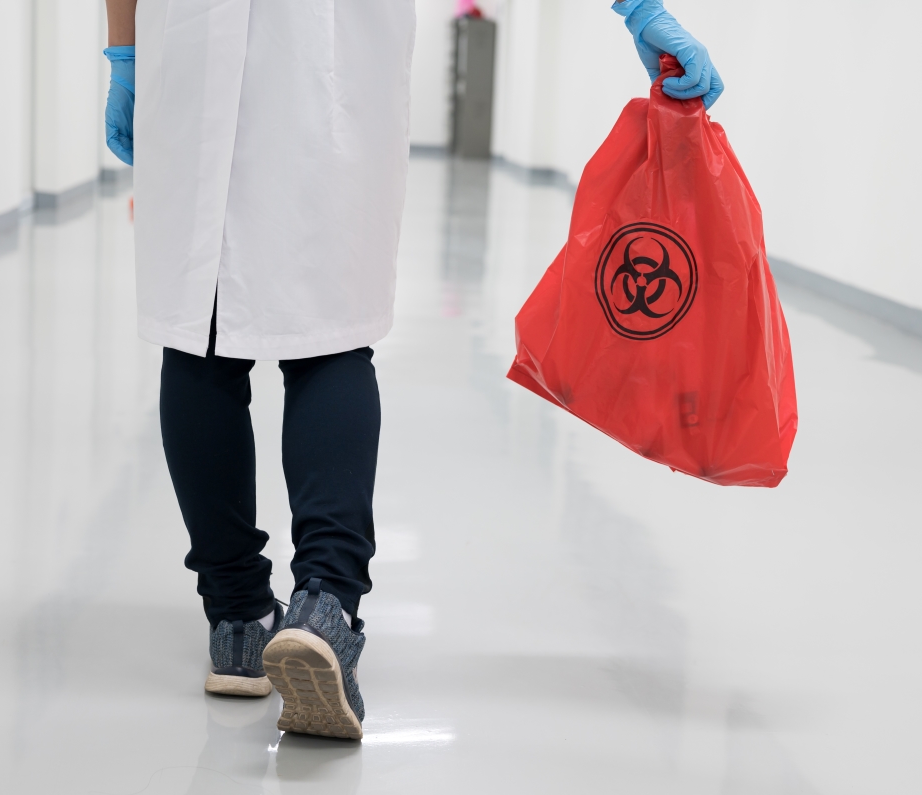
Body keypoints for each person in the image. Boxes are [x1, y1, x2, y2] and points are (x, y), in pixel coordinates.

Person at [103, 0, 722, 742]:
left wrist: (125, 55)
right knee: (329, 338)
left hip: (192, 40)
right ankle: (325, 608)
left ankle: (236, 620)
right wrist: (640, 9)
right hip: (333, 50)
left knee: (199, 333)